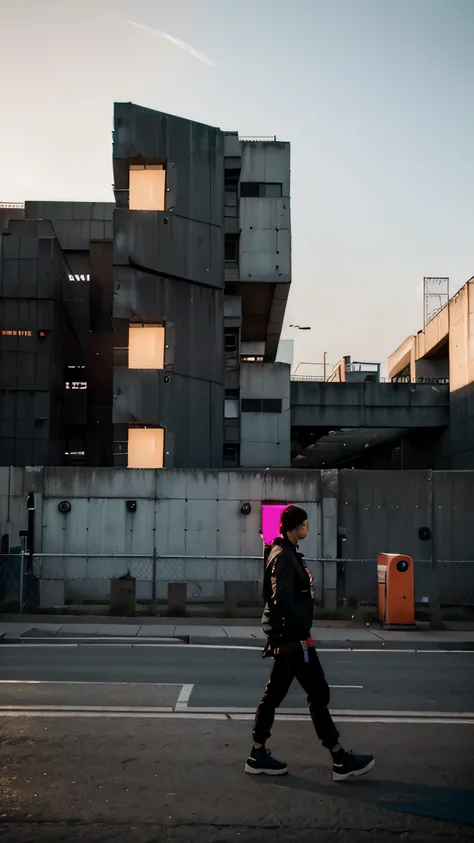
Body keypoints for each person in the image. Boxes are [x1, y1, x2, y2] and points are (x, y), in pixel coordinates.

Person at [245, 504, 375, 781]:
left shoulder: (287, 552)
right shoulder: (282, 556)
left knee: (278, 695)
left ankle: (258, 753)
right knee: (316, 693)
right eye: (304, 523)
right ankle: (338, 758)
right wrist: (301, 629)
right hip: (293, 640)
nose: (308, 528)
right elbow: (281, 599)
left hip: (293, 638)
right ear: (295, 527)